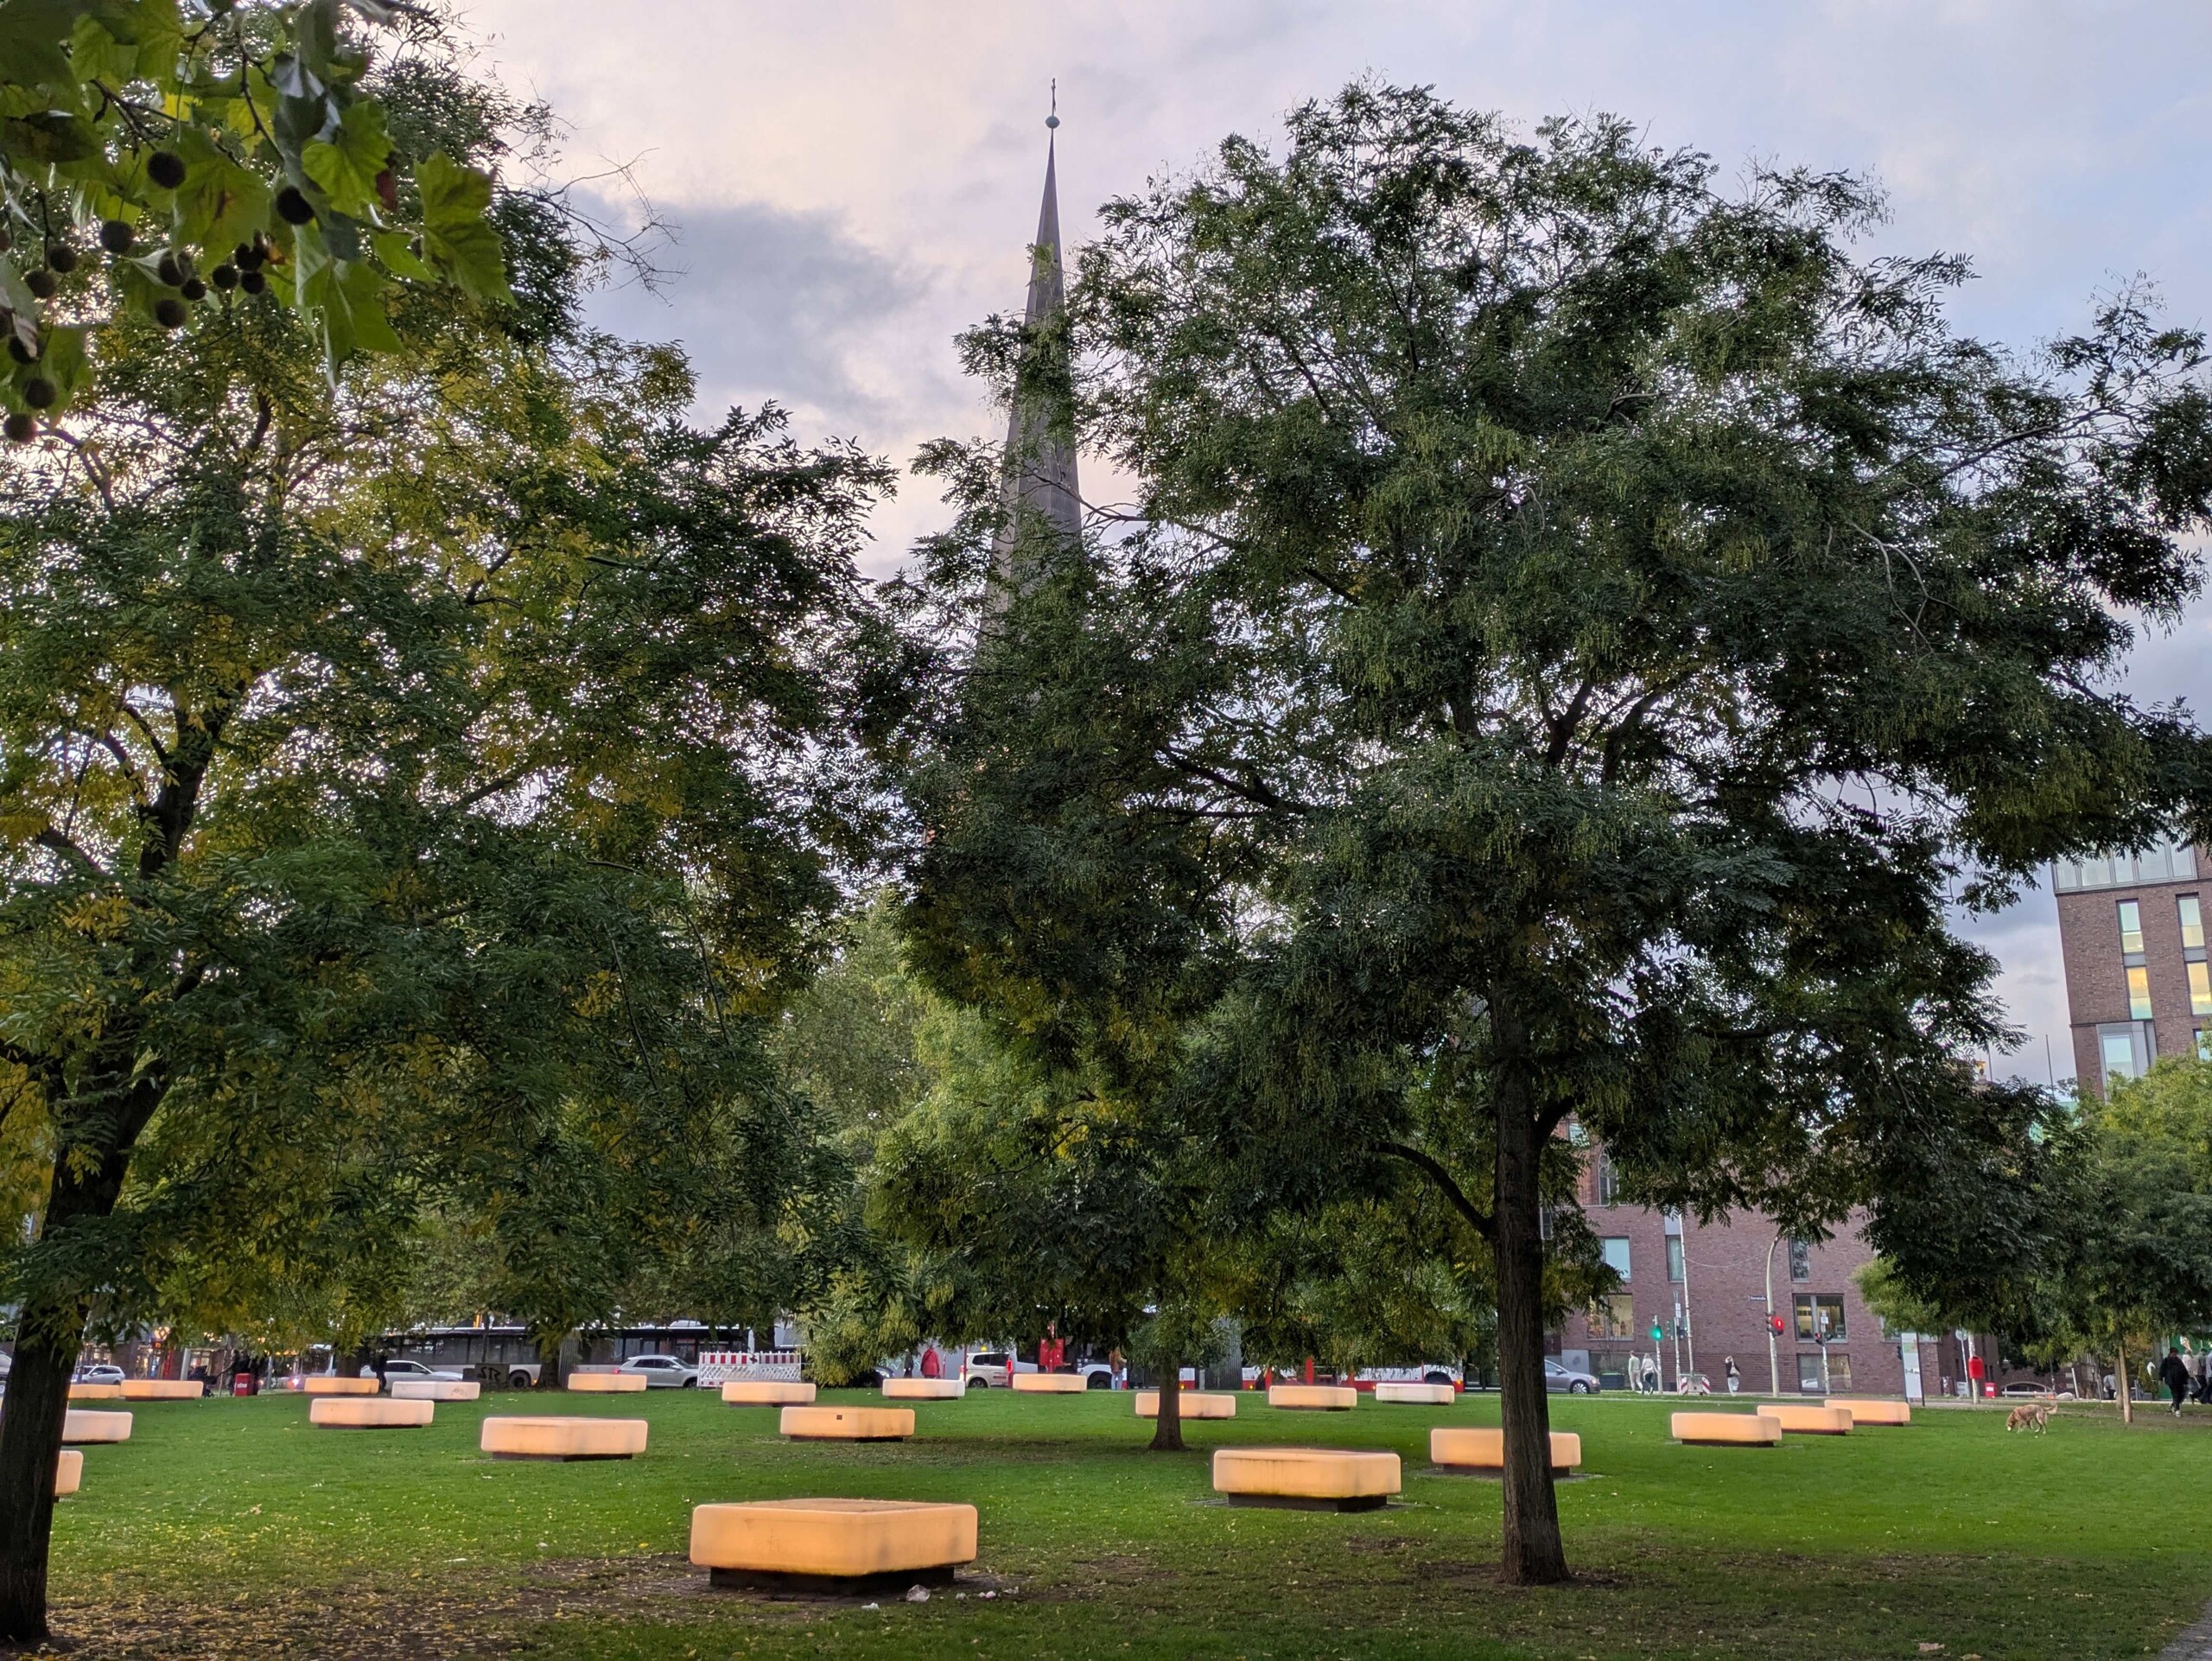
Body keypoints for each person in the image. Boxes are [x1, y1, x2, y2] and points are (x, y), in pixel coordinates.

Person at [2161, 1346, 2191, 1416]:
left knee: (2182, 1394)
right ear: (2170, 1354)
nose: (2174, 1356)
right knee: (2175, 1394)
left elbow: (2183, 1369)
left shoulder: (2178, 1361)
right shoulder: (2166, 1360)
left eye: (2175, 1354)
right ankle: (2177, 1409)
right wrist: (2161, 1378)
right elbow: (2162, 1370)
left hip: (2179, 1381)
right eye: (2173, 1354)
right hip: (2171, 1381)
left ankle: (2174, 1405)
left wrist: (2186, 1377)